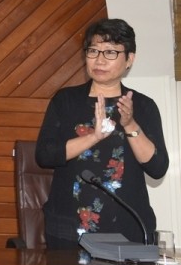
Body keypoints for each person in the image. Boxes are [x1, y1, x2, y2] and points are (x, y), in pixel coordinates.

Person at [35, 18, 169, 249]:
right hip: (70, 230)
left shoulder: (143, 106)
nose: (99, 59)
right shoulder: (66, 101)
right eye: (93, 50)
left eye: (110, 52)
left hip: (128, 228)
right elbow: (45, 155)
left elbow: (157, 168)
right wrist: (94, 137)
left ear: (129, 59)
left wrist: (129, 124)